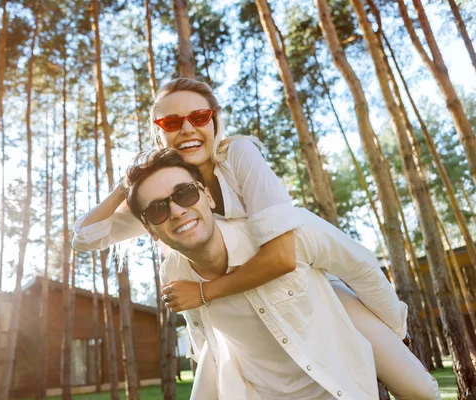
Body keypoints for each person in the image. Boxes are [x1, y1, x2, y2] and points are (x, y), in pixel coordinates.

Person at [72, 78, 437, 397]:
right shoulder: (165, 200)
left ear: (214, 120)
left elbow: (283, 256)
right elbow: (86, 237)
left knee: (419, 387)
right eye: (171, 122)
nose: (186, 129)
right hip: (237, 323)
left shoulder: (239, 157)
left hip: (306, 295)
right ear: (158, 132)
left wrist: (394, 329)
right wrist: (134, 180)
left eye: (198, 117)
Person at [122, 148, 440, 399]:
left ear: (207, 195)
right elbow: (200, 334)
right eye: (157, 209)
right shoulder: (174, 273)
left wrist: (396, 333)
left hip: (337, 382)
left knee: (422, 391)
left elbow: (362, 268)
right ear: (150, 229)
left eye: (185, 194)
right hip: (262, 390)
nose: (177, 210)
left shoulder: (290, 232)